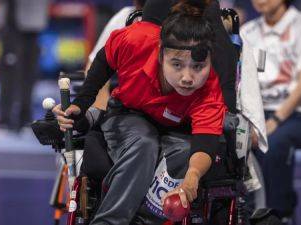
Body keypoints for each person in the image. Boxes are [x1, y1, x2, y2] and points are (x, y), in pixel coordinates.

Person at [54, 1, 234, 224]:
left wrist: (192, 176)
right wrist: (81, 103)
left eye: (198, 66)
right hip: (128, 114)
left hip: (177, 129)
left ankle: (143, 220)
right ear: (161, 54)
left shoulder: (210, 89)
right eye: (177, 65)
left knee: (185, 153)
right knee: (144, 143)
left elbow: (205, 142)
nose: (187, 77)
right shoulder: (136, 40)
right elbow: (103, 60)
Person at [241, 0, 301, 221]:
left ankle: (280, 215)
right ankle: (246, 213)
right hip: (262, 110)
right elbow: (241, 83)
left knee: (274, 142)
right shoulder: (247, 31)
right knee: (235, 141)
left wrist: (275, 121)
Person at [0, 0, 50, 132]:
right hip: (9, 22)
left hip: (32, 21)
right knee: (9, 71)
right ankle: (5, 120)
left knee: (28, 73)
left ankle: (25, 118)